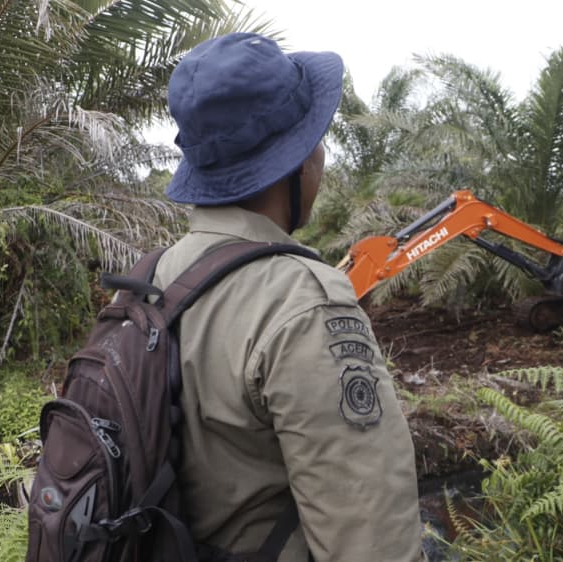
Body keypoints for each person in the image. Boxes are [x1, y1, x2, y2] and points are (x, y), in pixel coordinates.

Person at [152, 33, 427, 562]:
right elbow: (370, 540)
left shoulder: (156, 276)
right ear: (295, 164)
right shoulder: (304, 301)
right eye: (315, 139)